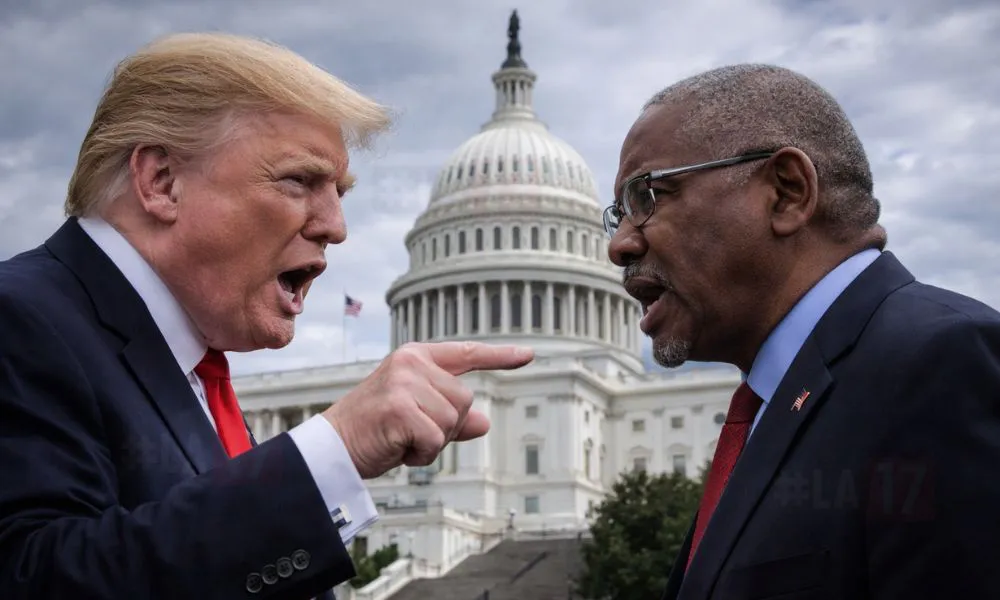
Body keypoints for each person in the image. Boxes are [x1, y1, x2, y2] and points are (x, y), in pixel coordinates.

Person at [0, 33, 533, 600]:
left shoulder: (186, 373)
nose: (336, 225)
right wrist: (334, 449)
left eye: (340, 192)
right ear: (161, 183)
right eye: (299, 180)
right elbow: (38, 580)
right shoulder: (18, 321)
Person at [604, 63, 1000, 600]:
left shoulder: (939, 363)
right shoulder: (776, 406)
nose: (620, 245)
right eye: (619, 215)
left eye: (648, 197)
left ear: (787, 192)